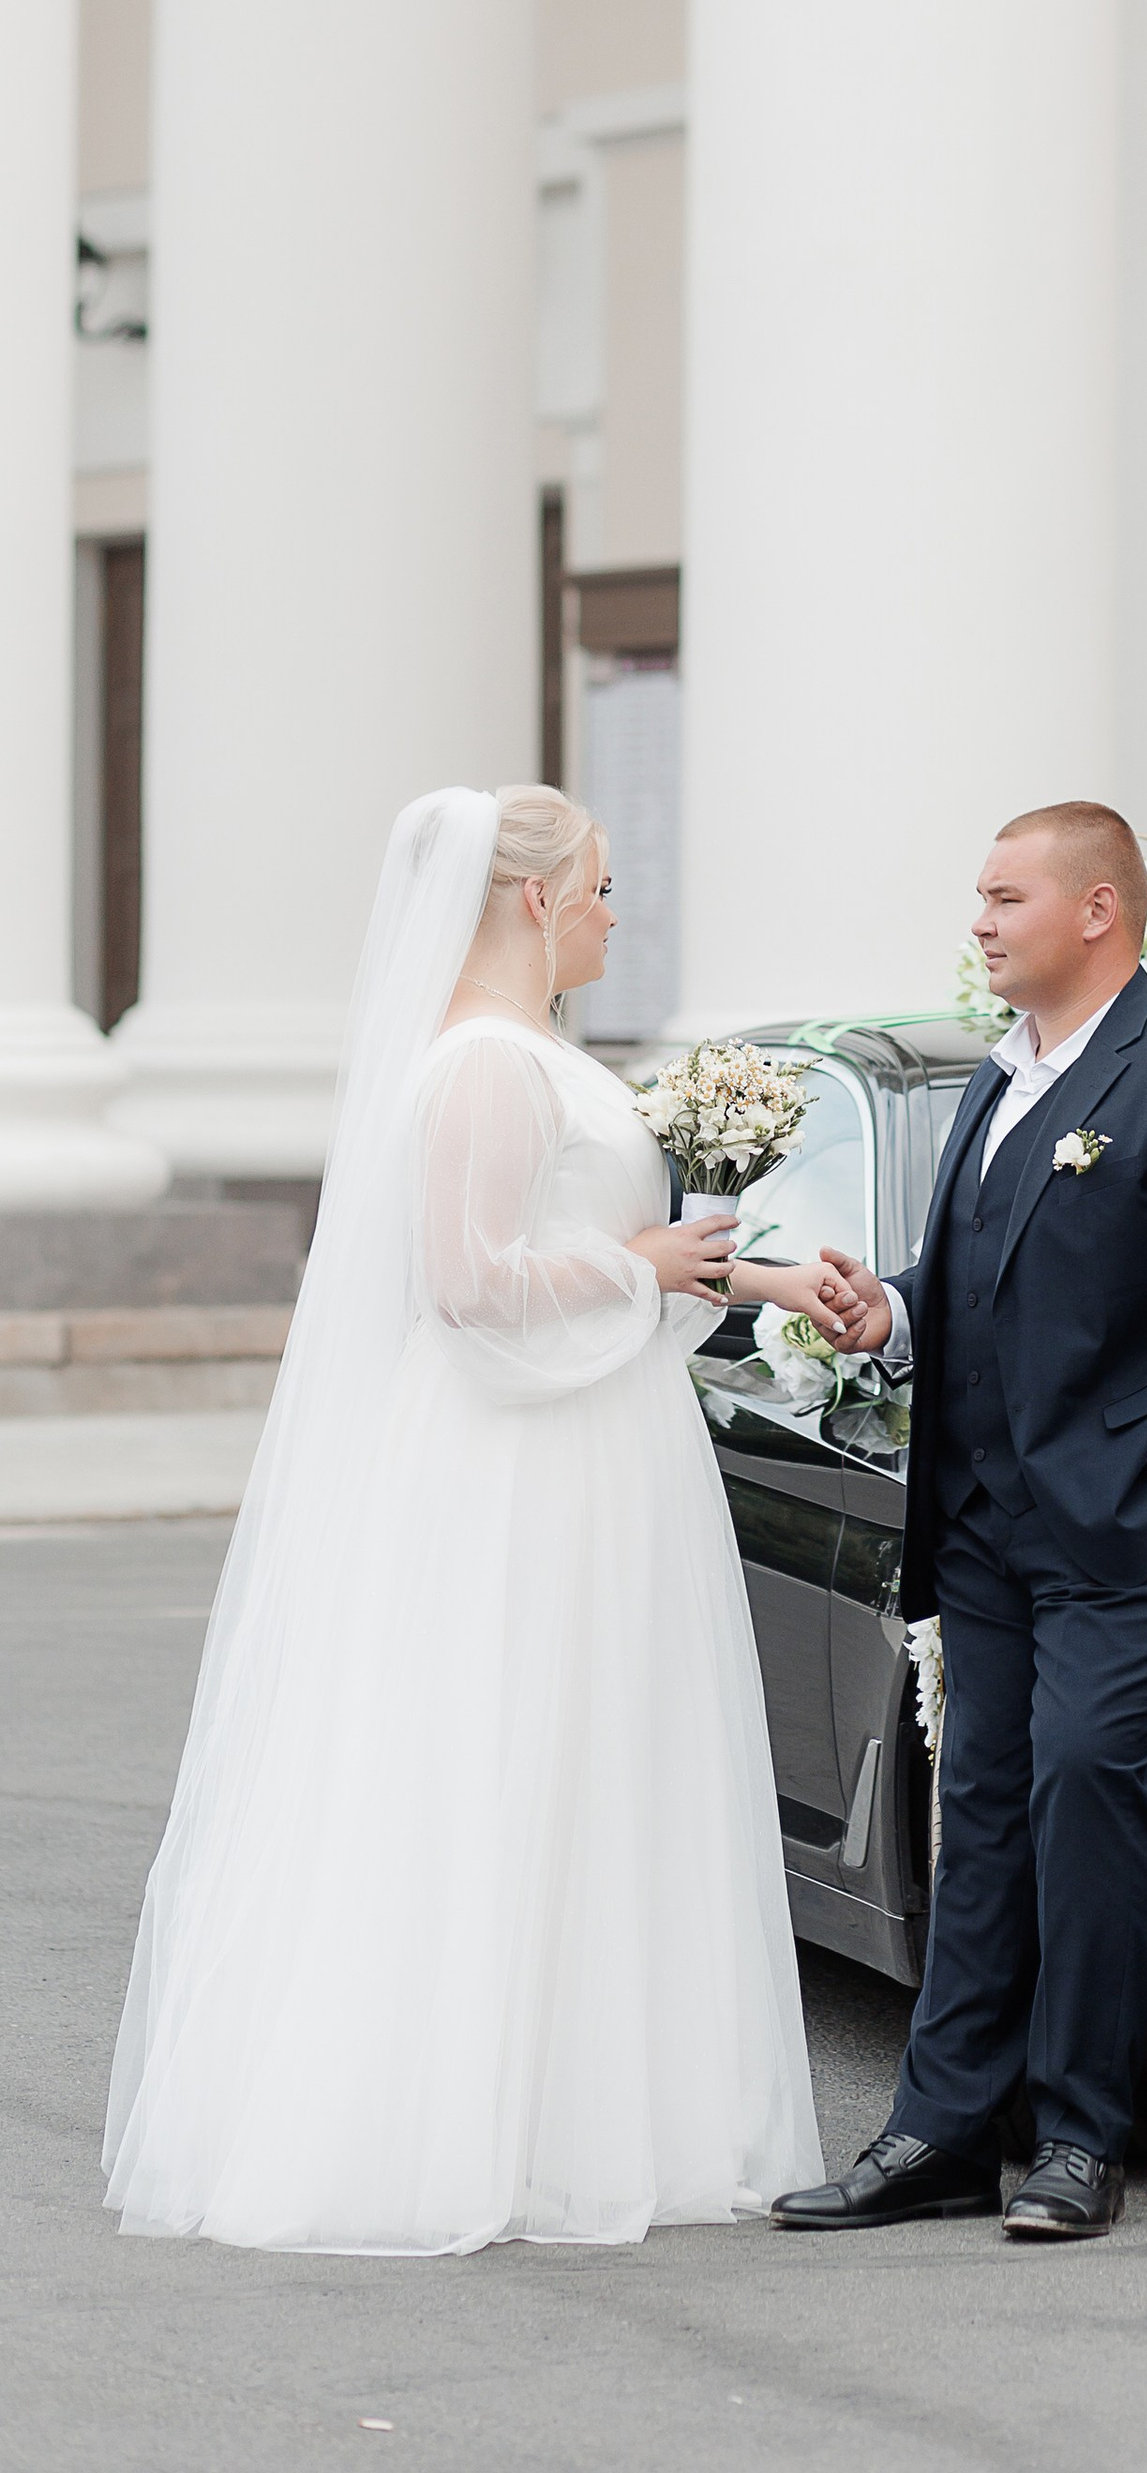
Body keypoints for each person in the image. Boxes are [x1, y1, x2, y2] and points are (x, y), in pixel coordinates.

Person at [104, 784, 855, 2254]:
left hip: (590, 1438)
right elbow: (469, 1282)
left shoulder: (534, 1057)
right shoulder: (481, 1068)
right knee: (507, 1751)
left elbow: (587, 1251)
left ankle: (577, 2113)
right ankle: (464, 2127)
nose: (613, 912)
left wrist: (756, 1280)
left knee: (589, 1759)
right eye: (601, 885)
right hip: (526, 1462)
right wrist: (638, 1259)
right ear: (533, 899)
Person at [771, 801, 1147, 2243]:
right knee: (986, 1808)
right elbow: (990, 1272)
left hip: (1135, 1528)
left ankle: (1080, 2133)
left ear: (1096, 912)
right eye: (979, 896)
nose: (980, 920)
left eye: (1005, 896)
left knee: (1088, 1784)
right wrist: (885, 1308)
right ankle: (944, 2130)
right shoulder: (997, 1081)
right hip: (990, 1521)